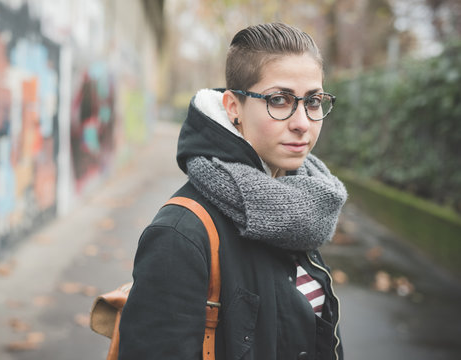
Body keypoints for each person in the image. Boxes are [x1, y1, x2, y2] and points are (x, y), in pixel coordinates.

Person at [119, 22, 347, 360]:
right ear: (233, 107)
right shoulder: (180, 234)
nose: (302, 122)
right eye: (279, 100)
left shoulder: (302, 201)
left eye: (313, 101)